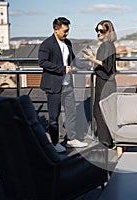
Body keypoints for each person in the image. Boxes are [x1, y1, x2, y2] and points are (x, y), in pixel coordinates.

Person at [38, 17, 88, 153]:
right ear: (56, 29)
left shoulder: (67, 43)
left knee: (71, 113)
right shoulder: (46, 44)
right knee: (54, 117)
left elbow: (73, 60)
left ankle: (71, 139)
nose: (67, 34)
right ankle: (54, 144)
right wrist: (62, 69)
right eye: (65, 31)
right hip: (53, 85)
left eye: (68, 31)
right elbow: (42, 62)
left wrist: (90, 64)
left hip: (67, 85)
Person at [83, 20, 117, 149]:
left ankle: (106, 142)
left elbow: (107, 66)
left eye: (101, 31)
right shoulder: (108, 45)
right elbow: (106, 62)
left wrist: (92, 59)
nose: (98, 33)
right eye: (96, 30)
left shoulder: (107, 45)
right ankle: (108, 141)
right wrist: (94, 56)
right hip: (106, 82)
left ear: (108, 32)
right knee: (103, 111)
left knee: (99, 111)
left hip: (104, 82)